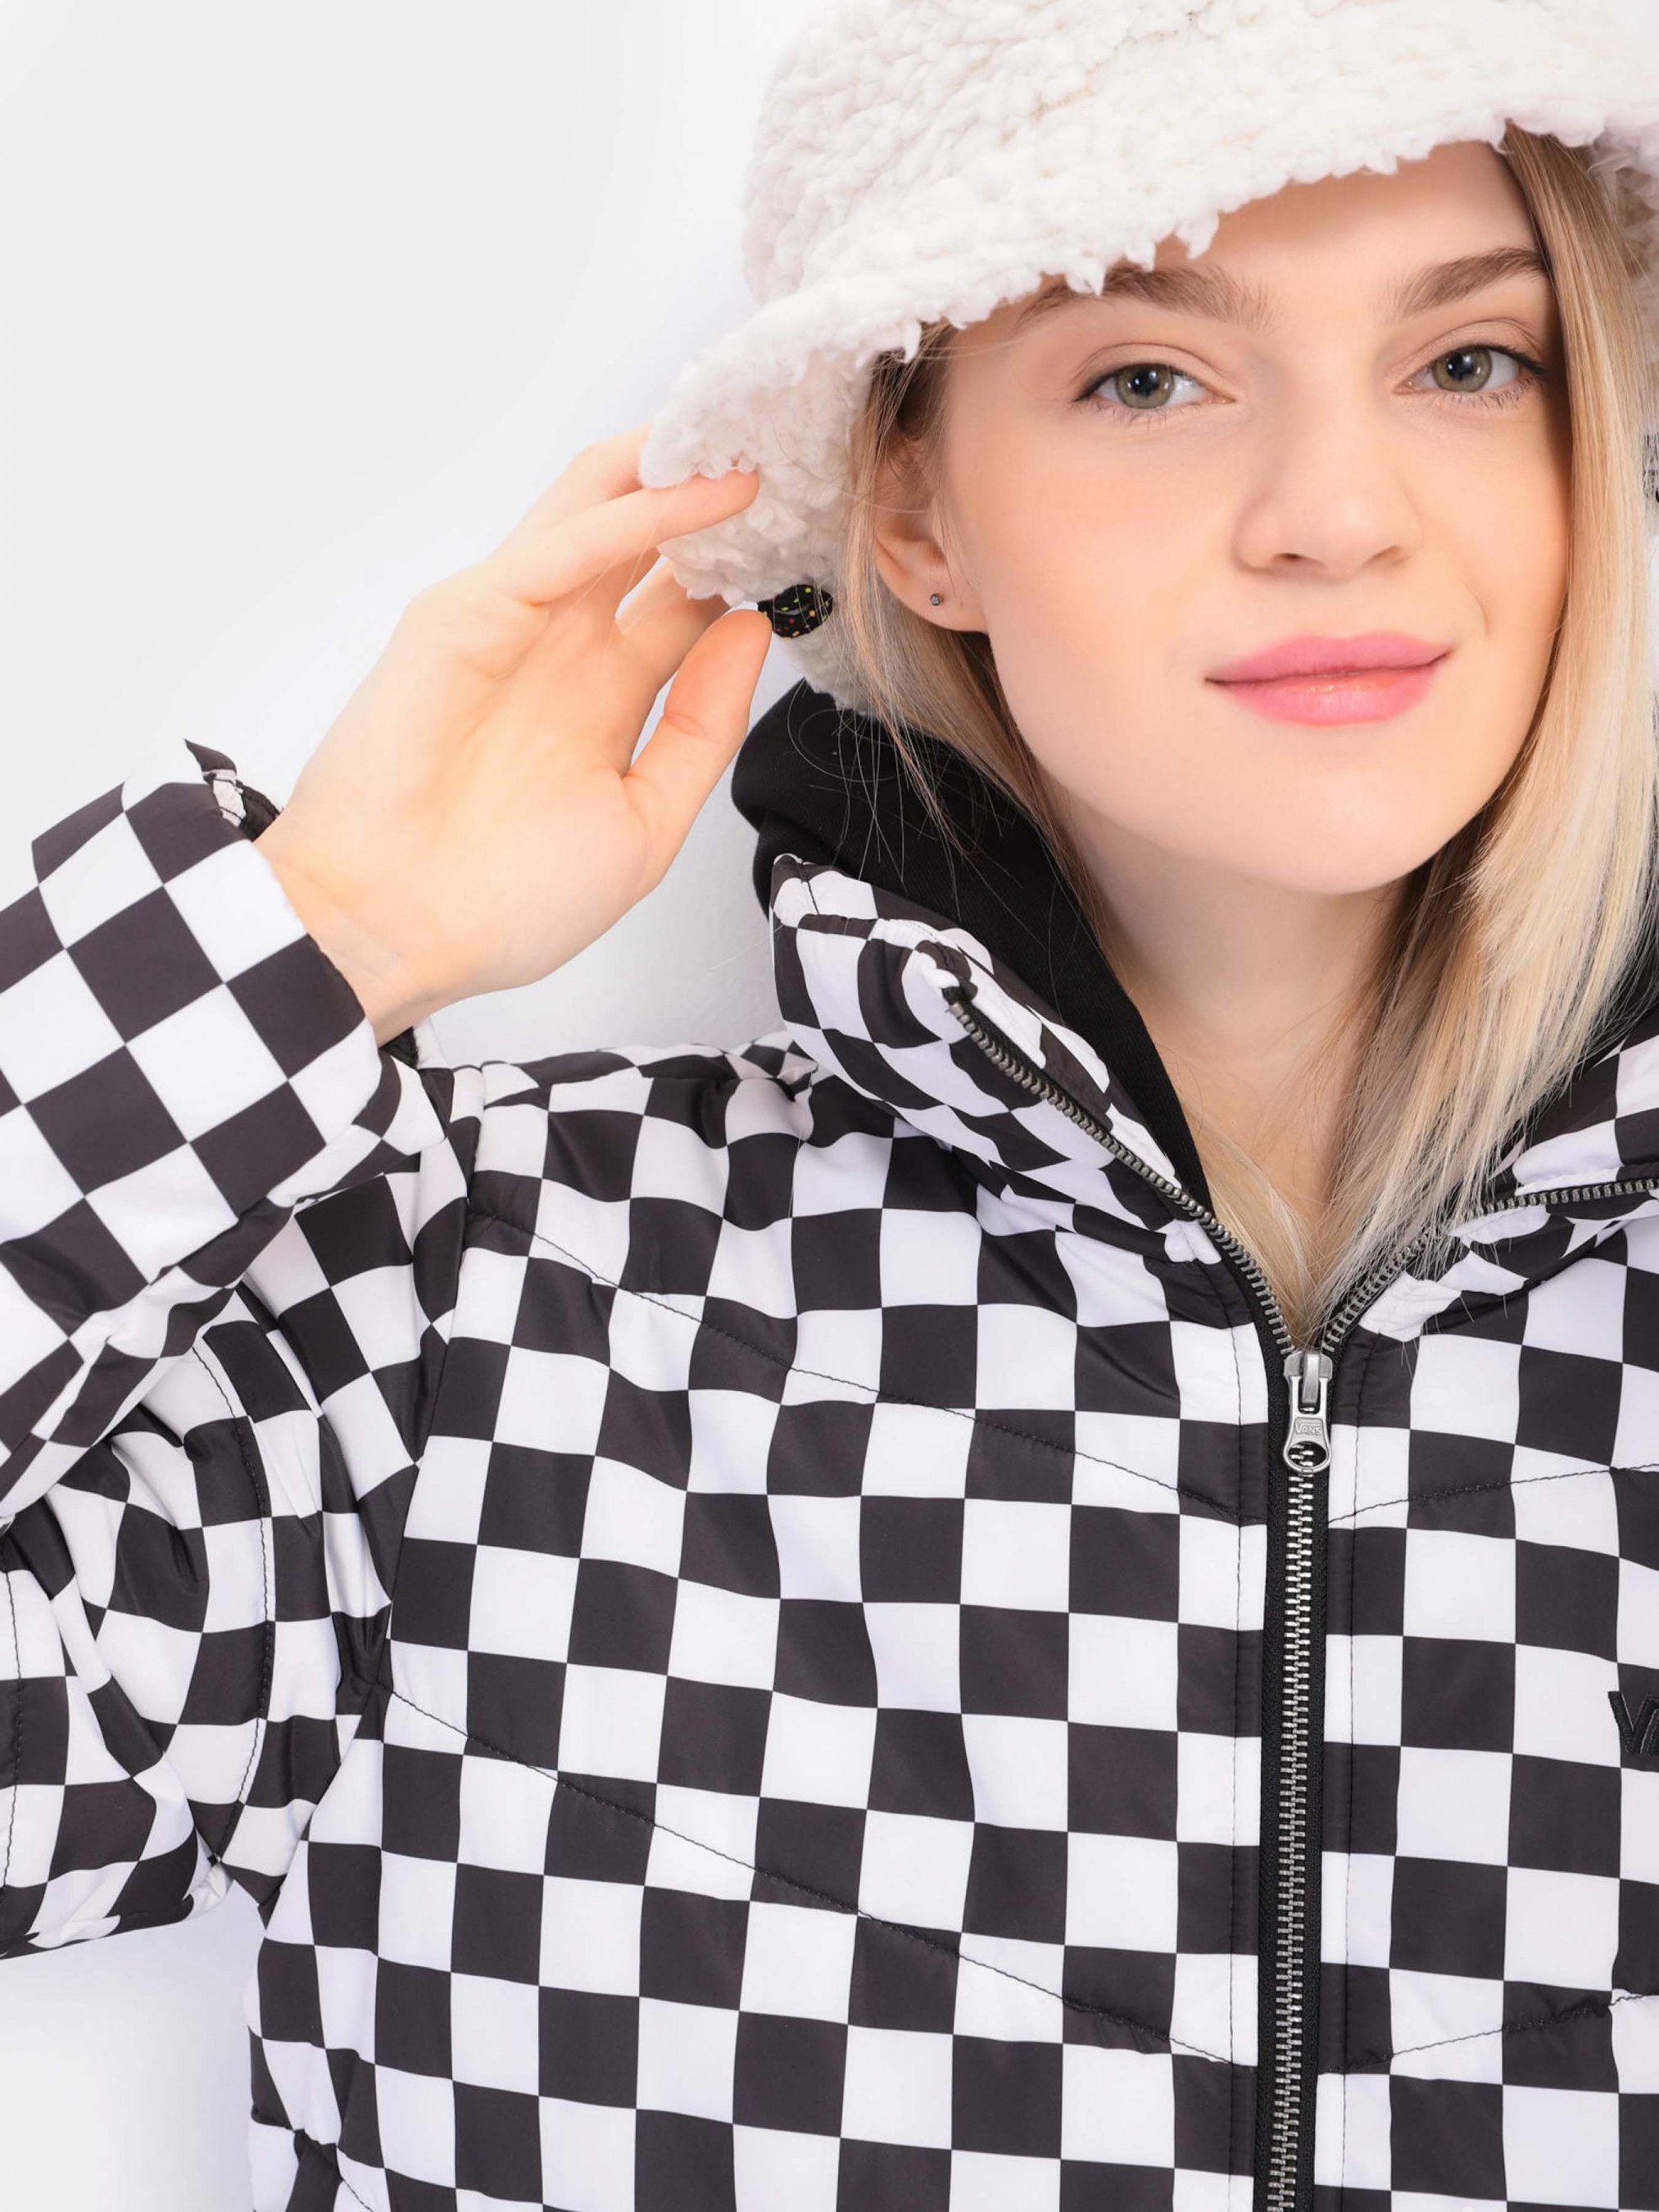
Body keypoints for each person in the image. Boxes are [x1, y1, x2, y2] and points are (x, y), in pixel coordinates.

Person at [3, 0, 1658, 2205]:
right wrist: (306, 935)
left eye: (1469, 360)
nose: (1338, 516)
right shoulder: (480, 1307)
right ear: (912, 513)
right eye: (1146, 377)